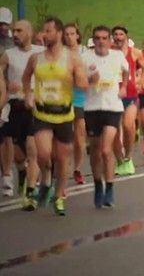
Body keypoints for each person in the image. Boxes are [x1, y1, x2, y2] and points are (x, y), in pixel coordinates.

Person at [22, 17, 88, 215]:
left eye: (48, 31)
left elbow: (82, 83)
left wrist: (84, 80)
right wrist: (28, 94)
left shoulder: (72, 58)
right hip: (42, 112)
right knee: (42, 155)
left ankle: (59, 195)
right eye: (43, 31)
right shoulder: (36, 58)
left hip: (64, 115)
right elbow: (26, 78)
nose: (44, 34)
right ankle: (45, 179)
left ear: (58, 34)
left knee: (61, 159)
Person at [82, 25, 129, 208]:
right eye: (97, 38)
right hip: (92, 107)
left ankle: (109, 187)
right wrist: (88, 82)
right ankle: (97, 185)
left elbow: (126, 72)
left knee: (105, 149)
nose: (101, 41)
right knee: (94, 149)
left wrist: (124, 86)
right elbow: (78, 82)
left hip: (112, 106)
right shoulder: (86, 58)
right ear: (93, 41)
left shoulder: (117, 56)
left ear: (109, 40)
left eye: (104, 38)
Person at [0, 20, 43, 200]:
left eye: (19, 31)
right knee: (17, 154)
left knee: (33, 149)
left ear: (29, 32)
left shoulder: (40, 53)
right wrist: (7, 86)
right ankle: (24, 172)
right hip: (14, 106)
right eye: (13, 31)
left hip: (35, 106)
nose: (14, 34)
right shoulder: (7, 55)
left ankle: (31, 191)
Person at [112, 26, 144, 175]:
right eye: (115, 34)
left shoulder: (135, 52)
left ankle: (128, 157)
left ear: (126, 36)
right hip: (112, 96)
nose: (118, 37)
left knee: (128, 125)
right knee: (113, 130)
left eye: (121, 34)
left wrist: (141, 82)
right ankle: (119, 160)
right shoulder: (110, 52)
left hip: (131, 94)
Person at [62, 23, 88, 185]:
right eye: (66, 34)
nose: (70, 37)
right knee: (63, 139)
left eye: (72, 34)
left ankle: (77, 168)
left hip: (80, 99)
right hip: (62, 99)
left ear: (78, 35)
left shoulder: (86, 52)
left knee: (79, 137)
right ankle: (62, 168)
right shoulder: (60, 53)